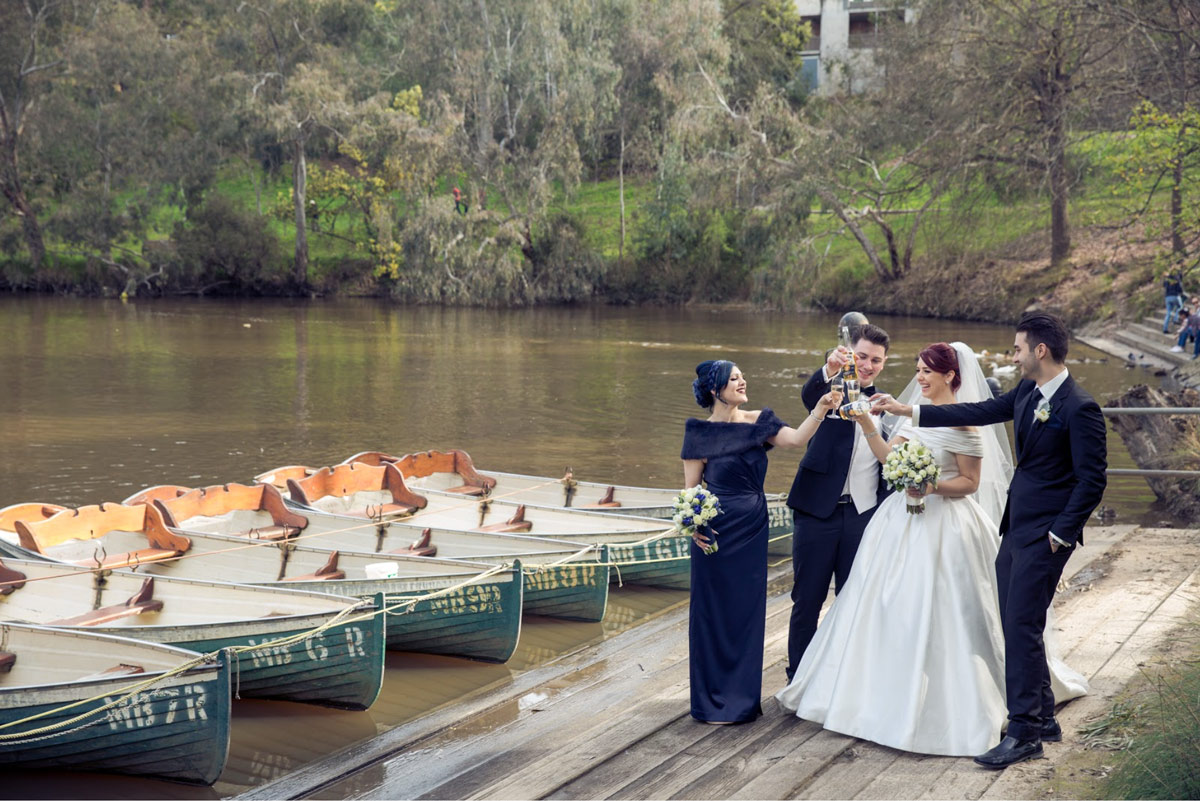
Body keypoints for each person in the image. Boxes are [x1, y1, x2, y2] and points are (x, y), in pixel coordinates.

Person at [776, 342, 1088, 757]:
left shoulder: (963, 423)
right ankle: (877, 697)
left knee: (950, 614)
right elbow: (890, 459)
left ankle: (968, 704)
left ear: (951, 376)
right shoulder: (915, 414)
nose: (919, 377)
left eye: (927, 371)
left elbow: (969, 483)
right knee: (885, 610)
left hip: (948, 528)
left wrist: (929, 486)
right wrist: (869, 423)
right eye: (918, 369)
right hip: (898, 523)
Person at [871, 312, 1107, 769]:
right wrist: (909, 411)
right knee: (1016, 622)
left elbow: (1092, 480)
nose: (1012, 356)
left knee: (1019, 625)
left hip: (1046, 536)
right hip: (1014, 527)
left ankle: (1023, 734)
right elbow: (976, 411)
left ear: (1040, 350)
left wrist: (1060, 534)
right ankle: (1044, 718)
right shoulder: (1026, 392)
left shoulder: (1080, 407)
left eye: (1018, 348)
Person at [681, 359, 842, 724]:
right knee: (712, 611)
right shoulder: (697, 433)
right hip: (715, 534)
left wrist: (820, 408)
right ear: (714, 390)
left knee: (745, 611)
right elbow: (690, 491)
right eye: (734, 378)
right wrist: (692, 526)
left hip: (751, 528)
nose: (742, 381)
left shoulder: (760, 421)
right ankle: (709, 700)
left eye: (742, 375)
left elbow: (797, 439)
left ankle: (740, 699)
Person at [784, 323, 892, 680]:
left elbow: (891, 461)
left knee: (852, 601)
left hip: (863, 516)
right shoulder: (830, 391)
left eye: (876, 360)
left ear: (883, 363)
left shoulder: (884, 406)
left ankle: (842, 679)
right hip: (816, 512)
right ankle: (799, 677)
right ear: (850, 354)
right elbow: (807, 396)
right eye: (862, 356)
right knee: (807, 601)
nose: (868, 365)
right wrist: (830, 370)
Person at [1162, 269, 1185, 333]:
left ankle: (1165, 328)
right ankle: (1175, 319)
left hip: (1167, 297)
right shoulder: (1177, 280)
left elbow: (1164, 285)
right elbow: (1180, 290)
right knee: (1180, 307)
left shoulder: (1167, 280)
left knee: (1168, 313)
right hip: (1175, 296)